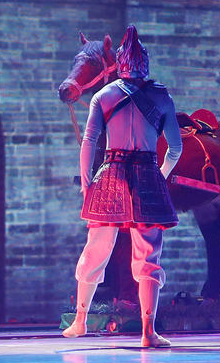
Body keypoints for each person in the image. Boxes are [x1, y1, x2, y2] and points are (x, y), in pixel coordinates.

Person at [62, 25, 183, 347]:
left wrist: (87, 183)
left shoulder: (103, 95)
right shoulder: (162, 96)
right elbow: (175, 148)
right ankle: (147, 332)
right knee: (148, 257)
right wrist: (160, 175)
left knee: (95, 250)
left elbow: (89, 142)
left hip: (111, 175)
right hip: (146, 176)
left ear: (121, 64)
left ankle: (80, 322)